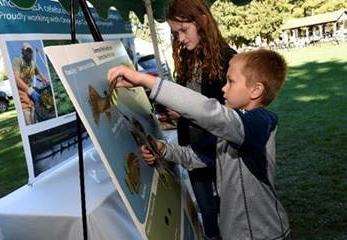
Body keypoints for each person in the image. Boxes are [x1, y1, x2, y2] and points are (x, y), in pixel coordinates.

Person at [107, 48, 291, 240]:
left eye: (231, 81)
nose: (224, 88)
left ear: (256, 90)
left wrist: (147, 81)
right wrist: (163, 149)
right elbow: (196, 156)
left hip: (265, 235)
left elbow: (211, 113)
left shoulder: (259, 123)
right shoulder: (232, 131)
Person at [159, 0, 236, 238]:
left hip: (219, 152)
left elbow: (227, 114)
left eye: (183, 30)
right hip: (191, 148)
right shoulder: (187, 59)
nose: (180, 39)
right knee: (207, 212)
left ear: (202, 20)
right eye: (175, 34)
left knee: (228, 211)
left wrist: (185, 113)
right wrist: (176, 114)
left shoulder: (229, 60)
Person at [13, 42, 49, 125]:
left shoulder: (33, 64)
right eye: (27, 51)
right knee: (26, 107)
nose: (29, 53)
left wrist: (47, 83)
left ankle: (35, 128)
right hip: (21, 89)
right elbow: (16, 78)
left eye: (30, 51)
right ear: (23, 52)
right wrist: (29, 91)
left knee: (34, 107)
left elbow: (42, 76)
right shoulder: (18, 61)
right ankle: (30, 131)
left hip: (30, 89)